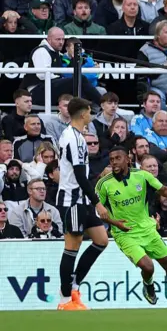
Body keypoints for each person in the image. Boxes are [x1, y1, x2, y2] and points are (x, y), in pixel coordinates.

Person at [96, 146, 167, 307]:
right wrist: (116, 224)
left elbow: (163, 190)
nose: (114, 162)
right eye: (111, 159)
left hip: (147, 229)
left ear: (128, 159)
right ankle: (148, 284)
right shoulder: (104, 184)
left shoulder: (142, 175)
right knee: (148, 266)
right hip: (124, 233)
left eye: (117, 158)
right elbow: (100, 211)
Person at [56, 98, 111, 311]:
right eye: (89, 112)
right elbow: (79, 175)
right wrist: (97, 202)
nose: (91, 115)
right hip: (73, 200)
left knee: (101, 240)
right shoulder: (74, 138)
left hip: (82, 199)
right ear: (82, 114)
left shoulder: (76, 135)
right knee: (72, 247)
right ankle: (64, 299)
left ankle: (74, 287)